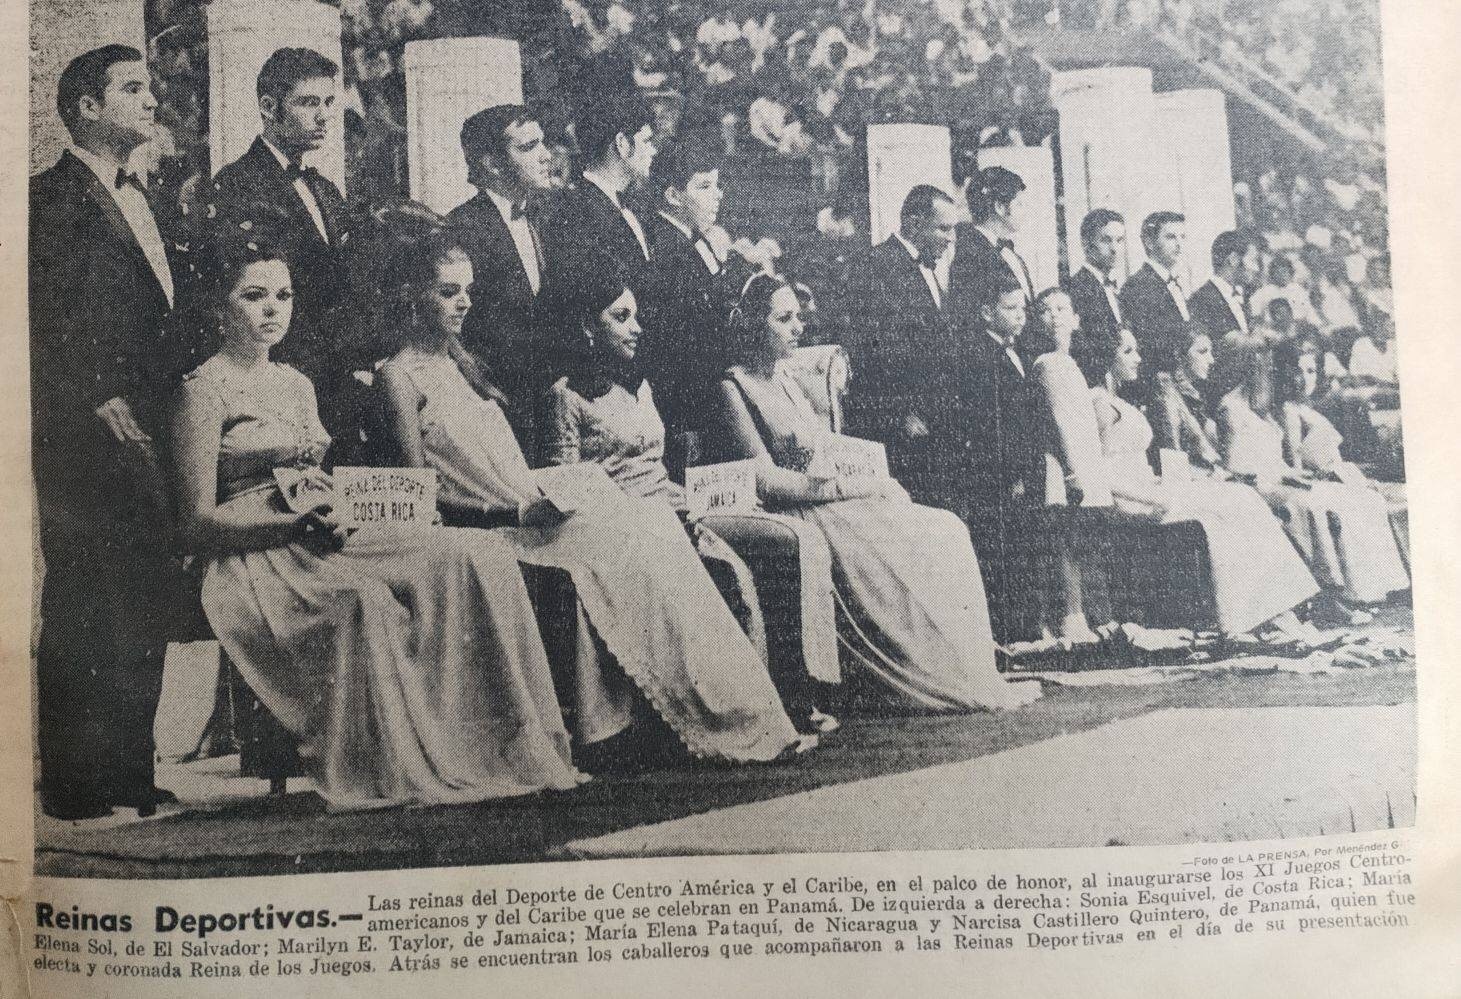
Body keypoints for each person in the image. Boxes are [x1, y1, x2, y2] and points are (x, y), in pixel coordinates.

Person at [171, 240, 588, 810]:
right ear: (219, 309)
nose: (273, 309)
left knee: (469, 551)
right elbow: (196, 524)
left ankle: (487, 743)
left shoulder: (296, 383)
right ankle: (409, 759)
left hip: (322, 530)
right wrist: (290, 528)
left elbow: (316, 481)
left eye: (284, 296)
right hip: (254, 554)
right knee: (367, 597)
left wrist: (347, 509)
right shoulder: (203, 391)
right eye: (254, 296)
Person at [375, 233, 812, 766]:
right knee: (633, 538)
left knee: (653, 529)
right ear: (413, 296)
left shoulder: (464, 368)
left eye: (467, 290)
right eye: (448, 292)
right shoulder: (399, 377)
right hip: (496, 523)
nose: (464, 302)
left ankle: (725, 706)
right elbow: (420, 500)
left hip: (535, 506)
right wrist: (514, 511)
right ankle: (660, 717)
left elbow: (514, 470)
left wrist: (548, 497)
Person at [709, 273, 1042, 712]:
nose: (798, 328)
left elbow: (822, 447)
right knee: (916, 541)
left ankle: (966, 666)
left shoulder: (787, 379)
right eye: (783, 318)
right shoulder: (733, 388)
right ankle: (934, 670)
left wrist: (868, 479)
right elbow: (766, 480)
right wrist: (847, 487)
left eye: (798, 317)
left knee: (946, 528)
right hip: (803, 509)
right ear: (754, 324)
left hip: (833, 494)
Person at [544, 268, 841, 731]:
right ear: (587, 325)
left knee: (781, 534)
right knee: (768, 547)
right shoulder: (567, 396)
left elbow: (661, 467)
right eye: (621, 317)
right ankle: (766, 704)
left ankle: (791, 693)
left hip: (671, 501)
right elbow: (567, 482)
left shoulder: (639, 385)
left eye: (636, 316)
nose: (636, 328)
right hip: (626, 519)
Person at [30, 45, 189, 819]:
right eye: (133, 89)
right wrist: (94, 395)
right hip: (82, 434)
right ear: (87, 108)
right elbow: (41, 317)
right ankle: (74, 783)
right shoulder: (47, 200)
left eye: (150, 88)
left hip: (151, 423)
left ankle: (131, 769)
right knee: (84, 595)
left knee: (143, 592)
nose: (151, 101)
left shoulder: (145, 196)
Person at [1075, 326, 1320, 639]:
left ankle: (1275, 609)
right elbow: (1098, 472)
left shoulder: (1116, 399)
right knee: (1231, 506)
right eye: (1127, 352)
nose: (1138, 358)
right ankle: (1250, 614)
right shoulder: (1098, 404)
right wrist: (1156, 496)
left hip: (1151, 488)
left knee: (1241, 499)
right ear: (1106, 358)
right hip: (1135, 500)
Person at [209, 48, 355, 434]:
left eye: (328, 102)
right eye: (308, 103)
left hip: (337, 377)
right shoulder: (237, 183)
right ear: (269, 107)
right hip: (279, 379)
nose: (324, 116)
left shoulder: (324, 188)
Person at [1218, 343, 1408, 610]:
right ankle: (1331, 590)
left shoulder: (1264, 406)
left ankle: (1373, 585)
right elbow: (1236, 465)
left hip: (1283, 478)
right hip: (1258, 485)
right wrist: (1284, 476)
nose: (1270, 374)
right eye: (1264, 367)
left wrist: (1299, 474)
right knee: (1318, 504)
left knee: (1357, 498)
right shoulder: (1231, 407)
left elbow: (1283, 458)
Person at [844, 184, 961, 508]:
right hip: (902, 426)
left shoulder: (928, 267)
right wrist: (901, 413)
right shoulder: (875, 265)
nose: (951, 238)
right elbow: (871, 351)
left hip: (933, 419)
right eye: (944, 228)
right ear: (913, 223)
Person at [446, 104, 557, 436]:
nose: (546, 155)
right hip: (497, 404)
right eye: (528, 147)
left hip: (549, 399)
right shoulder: (462, 225)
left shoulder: (544, 217)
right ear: (491, 163)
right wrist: (481, 386)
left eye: (543, 142)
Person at [1026, 288, 1116, 642]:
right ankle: (1071, 614)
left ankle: (1095, 614)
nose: (1055, 316)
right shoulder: (1047, 363)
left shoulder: (1071, 364)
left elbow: (1084, 421)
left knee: (1085, 538)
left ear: (1076, 320)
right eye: (1046, 311)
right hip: (1064, 463)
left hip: (1085, 458)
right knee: (1067, 537)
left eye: (1062, 309)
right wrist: (1073, 471)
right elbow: (1061, 420)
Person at [637, 138, 735, 437]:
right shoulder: (665, 249)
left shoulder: (691, 238)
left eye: (717, 185)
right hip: (688, 404)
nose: (718, 195)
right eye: (704, 186)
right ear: (673, 195)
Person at [542, 93, 658, 286]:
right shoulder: (579, 212)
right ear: (622, 144)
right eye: (647, 141)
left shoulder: (626, 206)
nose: (653, 150)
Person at [1119, 211, 1190, 401]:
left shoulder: (1174, 283)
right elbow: (1150, 344)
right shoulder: (1139, 286)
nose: (1179, 244)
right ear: (1149, 243)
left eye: (1182, 237)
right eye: (1170, 237)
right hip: (1158, 388)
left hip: (1181, 384)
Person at [949, 165, 1034, 312]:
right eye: (1019, 204)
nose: (1025, 211)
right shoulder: (969, 254)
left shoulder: (1009, 251)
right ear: (1000, 207)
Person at [1188, 230, 1260, 341]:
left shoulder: (1242, 296)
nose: (1256, 268)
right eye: (1253, 260)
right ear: (1233, 260)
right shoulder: (1202, 298)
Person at [1066, 208, 1126, 339]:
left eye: (1119, 240)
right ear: (1086, 243)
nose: (1114, 249)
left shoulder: (1116, 289)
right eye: (1106, 240)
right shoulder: (1076, 288)